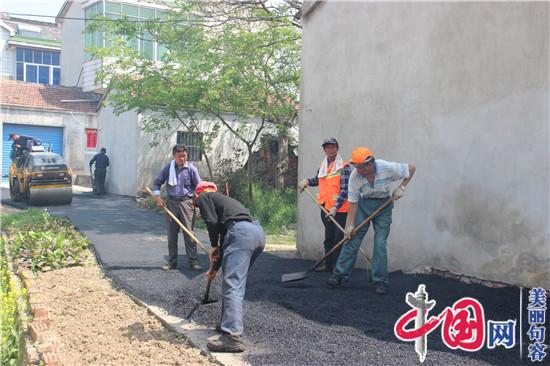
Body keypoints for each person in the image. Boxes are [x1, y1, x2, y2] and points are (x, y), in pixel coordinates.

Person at [326, 147, 415, 295]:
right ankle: (340, 275)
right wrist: (350, 226)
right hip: (364, 205)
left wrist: (402, 187)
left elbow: (411, 168)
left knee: (380, 243)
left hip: (384, 206)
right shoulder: (355, 178)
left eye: (359, 166)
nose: (356, 169)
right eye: (355, 166)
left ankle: (380, 281)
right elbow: (353, 204)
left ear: (369, 164)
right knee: (352, 239)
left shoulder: (387, 167)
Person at [194, 181, 265, 353]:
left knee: (232, 284)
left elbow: (211, 224)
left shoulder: (204, 196)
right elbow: (224, 245)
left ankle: (232, 336)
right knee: (234, 281)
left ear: (197, 194)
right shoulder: (226, 205)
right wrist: (214, 269)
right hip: (257, 233)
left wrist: (212, 245)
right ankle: (227, 324)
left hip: (240, 233)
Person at [298, 137, 351, 272]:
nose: (330, 149)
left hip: (339, 210)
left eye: (332, 147)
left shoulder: (344, 167)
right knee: (328, 238)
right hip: (325, 207)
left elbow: (345, 190)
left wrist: (335, 207)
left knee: (338, 239)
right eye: (327, 147)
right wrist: (307, 182)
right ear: (324, 149)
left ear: (337, 149)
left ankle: (337, 267)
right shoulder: (323, 166)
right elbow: (319, 180)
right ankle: (328, 265)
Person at [152, 144, 202, 271]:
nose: (182, 159)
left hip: (187, 204)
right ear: (174, 155)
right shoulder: (168, 169)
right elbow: (157, 183)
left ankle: (193, 261)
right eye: (180, 156)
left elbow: (199, 188)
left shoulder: (191, 169)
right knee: (172, 235)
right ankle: (172, 262)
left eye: (184, 156)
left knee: (189, 234)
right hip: (171, 204)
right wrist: (158, 197)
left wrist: (199, 207)